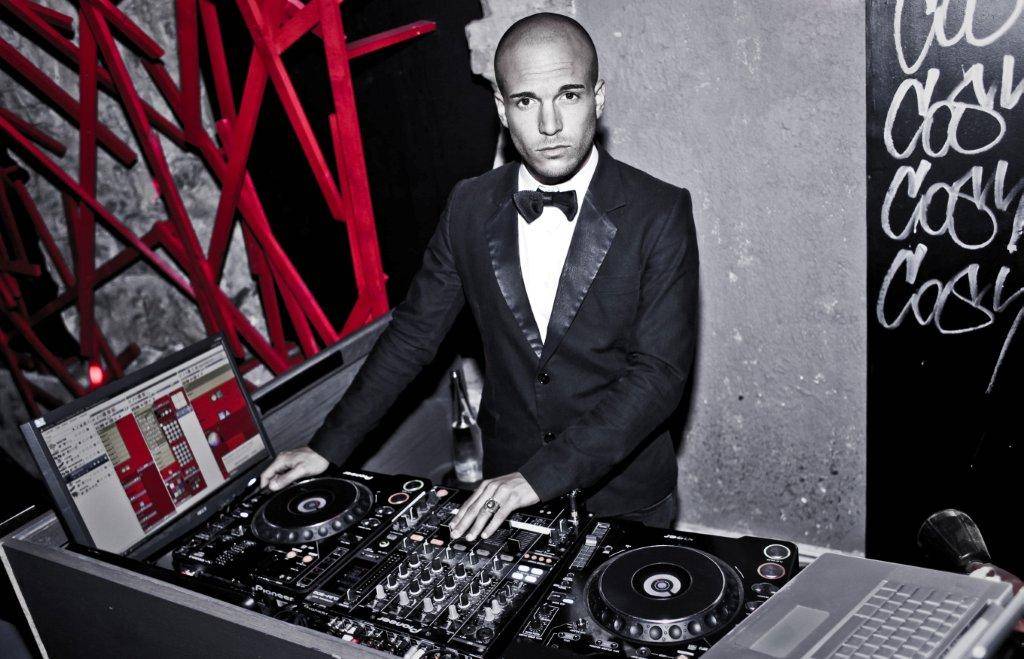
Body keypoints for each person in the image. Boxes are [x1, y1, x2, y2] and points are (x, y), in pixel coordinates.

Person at [260, 13, 698, 542]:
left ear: (598, 99)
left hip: (625, 496)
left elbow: (657, 378)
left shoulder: (660, 211)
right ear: (501, 109)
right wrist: (326, 445)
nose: (550, 125)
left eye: (569, 96)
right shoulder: (468, 205)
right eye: (526, 101)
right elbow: (412, 336)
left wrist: (538, 479)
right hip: (504, 490)